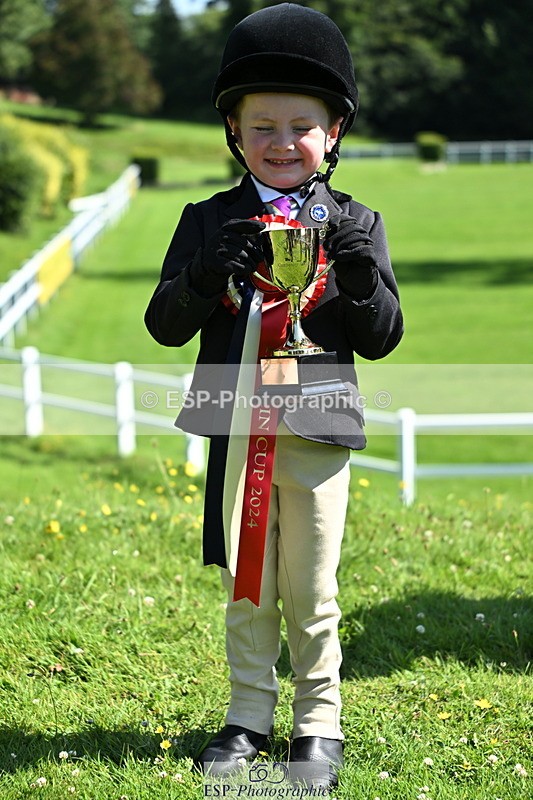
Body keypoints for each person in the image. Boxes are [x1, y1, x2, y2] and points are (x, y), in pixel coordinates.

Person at [145, 2, 403, 788]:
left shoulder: (356, 221)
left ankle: (317, 723)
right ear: (233, 132)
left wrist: (357, 278)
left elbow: (384, 333)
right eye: (261, 126)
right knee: (246, 583)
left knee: (312, 585)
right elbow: (163, 324)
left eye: (300, 125)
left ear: (331, 135)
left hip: (318, 423)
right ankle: (246, 716)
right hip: (234, 423)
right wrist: (200, 276)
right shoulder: (207, 219)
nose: (281, 142)